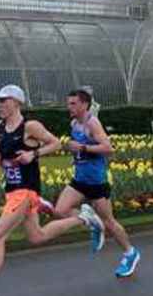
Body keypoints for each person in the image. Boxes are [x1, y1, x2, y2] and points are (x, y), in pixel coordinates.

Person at [0, 85, 104, 296]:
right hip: (12, 191)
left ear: (17, 103)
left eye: (4, 101)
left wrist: (34, 154)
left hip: (27, 191)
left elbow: (55, 143)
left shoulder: (30, 127)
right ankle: (83, 217)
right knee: (37, 236)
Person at [49, 89, 140, 277]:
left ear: (84, 104)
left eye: (73, 104)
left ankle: (130, 253)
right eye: (69, 103)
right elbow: (80, 149)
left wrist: (82, 147)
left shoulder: (92, 123)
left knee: (110, 223)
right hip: (79, 180)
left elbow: (108, 148)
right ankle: (92, 222)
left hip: (97, 182)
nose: (69, 107)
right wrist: (76, 154)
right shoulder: (74, 123)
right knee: (60, 211)